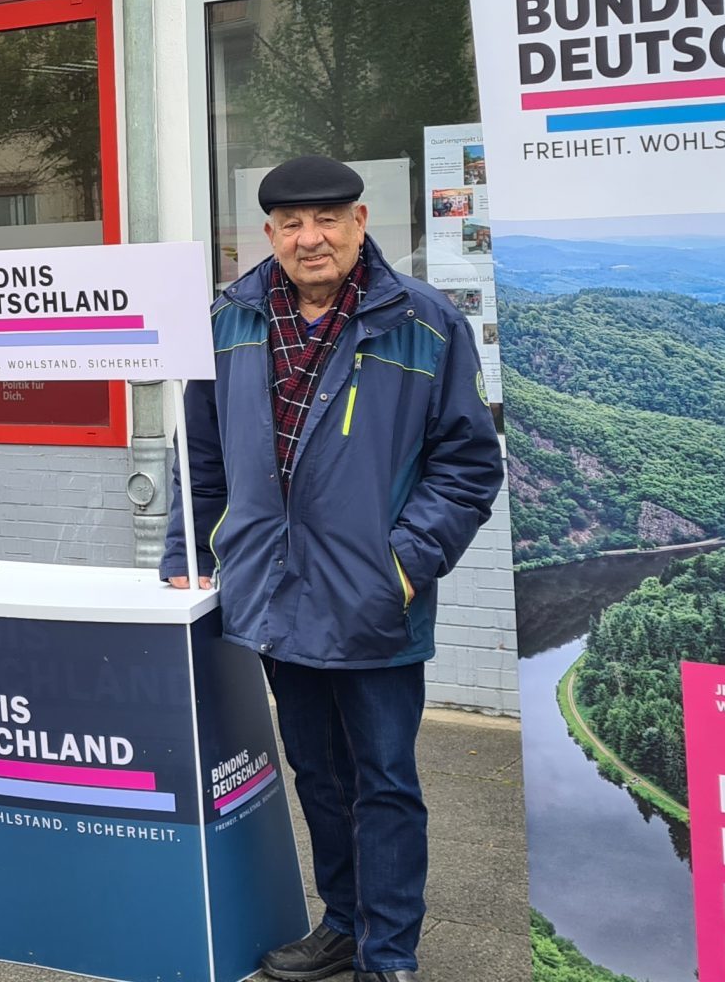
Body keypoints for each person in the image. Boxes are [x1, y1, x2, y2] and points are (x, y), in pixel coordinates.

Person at [166, 156, 501, 982]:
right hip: (274, 595)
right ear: (268, 233)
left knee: (384, 781)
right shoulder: (228, 320)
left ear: (359, 222)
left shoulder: (421, 323)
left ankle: (390, 956)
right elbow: (198, 457)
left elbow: (467, 464)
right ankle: (343, 925)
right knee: (316, 774)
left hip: (374, 601)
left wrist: (406, 564)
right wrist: (188, 550)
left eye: (326, 220)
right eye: (290, 224)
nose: (309, 238)